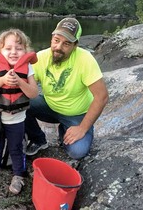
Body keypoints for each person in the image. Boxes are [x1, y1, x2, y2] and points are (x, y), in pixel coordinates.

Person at [25, 17, 109, 160]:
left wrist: (82, 128)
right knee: (18, 104)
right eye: (56, 40)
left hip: (76, 114)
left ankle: (66, 128)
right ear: (52, 38)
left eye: (66, 44)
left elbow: (102, 97)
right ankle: (39, 139)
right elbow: (25, 85)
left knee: (77, 152)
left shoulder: (85, 60)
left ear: (75, 45)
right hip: (49, 106)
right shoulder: (40, 58)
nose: (58, 47)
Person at [0, 28, 39, 194]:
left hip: (17, 120)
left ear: (25, 51)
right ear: (0, 50)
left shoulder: (28, 68)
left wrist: (20, 82)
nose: (14, 52)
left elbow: (33, 93)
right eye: (8, 48)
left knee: (16, 147)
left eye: (19, 48)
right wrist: (2, 80)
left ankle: (18, 175)